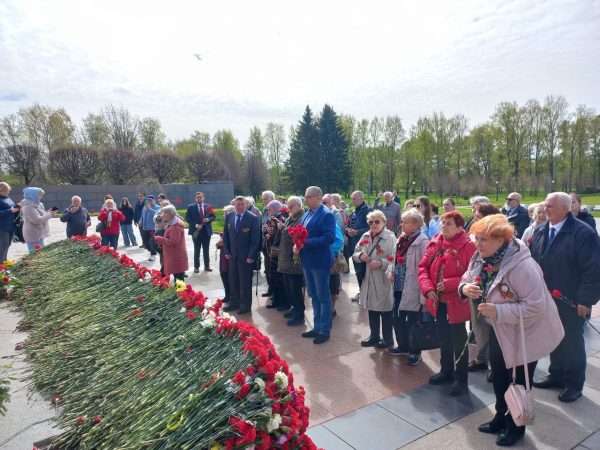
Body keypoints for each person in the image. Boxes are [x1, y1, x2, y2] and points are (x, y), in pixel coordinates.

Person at [460, 214, 564, 446]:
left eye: (484, 239)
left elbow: (536, 306)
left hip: (527, 332)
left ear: (502, 239)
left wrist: (499, 312)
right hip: (500, 329)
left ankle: (516, 428)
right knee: (498, 375)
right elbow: (467, 277)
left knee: (516, 381)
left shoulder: (523, 266)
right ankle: (500, 417)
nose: (477, 244)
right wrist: (465, 287)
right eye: (476, 238)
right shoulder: (481, 257)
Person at [530, 192, 600, 403]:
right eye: (545, 206)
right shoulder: (543, 230)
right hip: (547, 298)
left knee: (571, 343)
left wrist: (585, 300)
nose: (545, 209)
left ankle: (573, 384)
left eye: (550, 206)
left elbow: (593, 269)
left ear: (564, 208)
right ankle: (557, 375)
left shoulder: (582, 233)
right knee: (554, 338)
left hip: (570, 300)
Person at [418, 211, 476, 396]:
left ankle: (461, 379)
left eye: (448, 223)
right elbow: (423, 268)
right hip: (438, 301)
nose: (443, 226)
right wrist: (428, 288)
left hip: (457, 301)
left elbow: (475, 275)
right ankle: (446, 371)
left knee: (459, 341)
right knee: (443, 337)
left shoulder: (469, 246)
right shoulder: (435, 242)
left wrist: (451, 284)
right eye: (442, 222)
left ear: (459, 226)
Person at [385, 209, 429, 365]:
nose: (402, 224)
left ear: (416, 224)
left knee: (413, 321)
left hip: (412, 286)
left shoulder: (422, 241)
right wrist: (391, 270)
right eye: (402, 221)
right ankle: (403, 346)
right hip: (399, 285)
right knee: (398, 317)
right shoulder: (402, 238)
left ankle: (415, 351)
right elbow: (394, 259)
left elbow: (426, 266)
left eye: (405, 222)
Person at [466, 201, 502, 376]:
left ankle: (495, 365)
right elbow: (473, 263)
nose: (474, 220)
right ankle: (481, 358)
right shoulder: (476, 236)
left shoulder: (501, 239)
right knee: (479, 325)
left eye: (478, 217)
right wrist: (467, 285)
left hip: (497, 290)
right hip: (478, 286)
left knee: (495, 328)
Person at [298, 186, 336, 344]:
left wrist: (305, 242)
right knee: (313, 295)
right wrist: (297, 242)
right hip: (307, 260)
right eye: (305, 196)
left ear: (318, 198)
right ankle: (316, 327)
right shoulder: (306, 214)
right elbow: (301, 232)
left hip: (319, 262)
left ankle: (325, 330)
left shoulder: (326, 215)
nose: (305, 200)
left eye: (308, 197)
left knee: (323, 296)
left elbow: (329, 238)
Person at [353, 210, 396, 348]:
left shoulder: (390, 238)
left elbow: (396, 261)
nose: (373, 224)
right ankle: (374, 336)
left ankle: (388, 339)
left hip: (383, 279)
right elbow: (355, 252)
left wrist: (381, 263)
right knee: (372, 309)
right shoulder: (365, 235)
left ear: (384, 222)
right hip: (368, 278)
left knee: (385, 310)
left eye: (377, 221)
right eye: (371, 222)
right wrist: (360, 256)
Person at [222, 196, 262, 315]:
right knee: (233, 280)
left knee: (245, 281)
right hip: (232, 256)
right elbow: (226, 236)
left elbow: (256, 240)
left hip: (246, 257)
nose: (240, 207)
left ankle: (245, 305)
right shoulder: (230, 216)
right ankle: (234, 302)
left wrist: (251, 256)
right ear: (234, 205)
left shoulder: (253, 218)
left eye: (242, 204)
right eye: (238, 204)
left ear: (246, 205)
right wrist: (227, 251)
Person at [277, 196, 306, 326]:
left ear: (299, 206)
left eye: (292, 206)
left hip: (294, 260)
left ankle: (299, 315)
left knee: (295, 289)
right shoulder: (291, 217)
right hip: (287, 259)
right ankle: (294, 308)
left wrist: (283, 228)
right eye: (288, 206)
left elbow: (296, 235)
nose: (289, 209)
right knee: (289, 288)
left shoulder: (302, 217)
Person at [345, 191, 371, 302]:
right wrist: (348, 231)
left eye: (354, 198)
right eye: (352, 198)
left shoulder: (368, 211)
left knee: (363, 271)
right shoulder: (353, 212)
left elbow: (372, 228)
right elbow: (346, 226)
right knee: (357, 270)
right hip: (354, 245)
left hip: (364, 246)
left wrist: (357, 232)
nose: (352, 200)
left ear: (361, 198)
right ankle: (362, 291)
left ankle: (366, 293)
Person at [154, 205, 189, 283]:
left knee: (179, 280)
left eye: (164, 213)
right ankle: (179, 294)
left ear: (170, 214)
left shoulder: (175, 226)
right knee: (178, 277)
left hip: (175, 255)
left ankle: (180, 294)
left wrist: (160, 239)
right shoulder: (172, 222)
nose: (162, 215)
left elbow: (174, 242)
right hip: (174, 255)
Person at [263, 200, 287, 311]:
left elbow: (282, 236)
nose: (268, 211)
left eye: (270, 209)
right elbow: (270, 233)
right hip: (271, 253)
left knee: (279, 279)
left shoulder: (281, 219)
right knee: (273, 277)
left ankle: (282, 302)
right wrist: (266, 232)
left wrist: (271, 235)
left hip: (278, 254)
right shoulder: (271, 219)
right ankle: (276, 299)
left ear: (276, 209)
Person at [185, 192, 216, 273]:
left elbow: (214, 216)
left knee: (206, 249)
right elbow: (187, 218)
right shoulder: (190, 207)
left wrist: (208, 219)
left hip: (206, 231)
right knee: (197, 249)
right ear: (195, 198)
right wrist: (195, 225)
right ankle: (196, 267)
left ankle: (207, 266)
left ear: (203, 197)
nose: (199, 198)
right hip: (196, 231)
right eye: (197, 197)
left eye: (200, 197)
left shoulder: (209, 207)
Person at [20, 187, 56, 251]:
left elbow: (43, 215)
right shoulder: (27, 207)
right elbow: (37, 220)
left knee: (41, 255)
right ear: (33, 195)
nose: (42, 197)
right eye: (40, 195)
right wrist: (50, 214)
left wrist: (49, 212)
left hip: (38, 234)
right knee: (36, 256)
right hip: (33, 235)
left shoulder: (37, 204)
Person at [216, 205, 235, 303]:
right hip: (224, 255)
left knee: (229, 276)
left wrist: (223, 240)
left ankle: (231, 295)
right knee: (223, 274)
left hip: (229, 255)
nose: (224, 214)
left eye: (226, 212)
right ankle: (227, 294)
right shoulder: (227, 222)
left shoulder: (233, 223)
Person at [260, 191, 276, 296]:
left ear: (272, 198)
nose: (264, 201)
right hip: (265, 243)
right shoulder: (265, 210)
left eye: (265, 198)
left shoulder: (277, 209)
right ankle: (270, 288)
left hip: (273, 245)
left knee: (273, 268)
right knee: (267, 268)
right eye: (263, 199)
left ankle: (274, 291)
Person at [0, 182, 18, 263]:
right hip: (2, 226)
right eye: (7, 190)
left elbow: (12, 208)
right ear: (1, 190)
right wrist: (10, 210)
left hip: (10, 225)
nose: (8, 192)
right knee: (3, 244)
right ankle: (1, 263)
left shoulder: (7, 198)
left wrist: (17, 209)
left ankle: (4, 261)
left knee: (7, 244)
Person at [140, 195, 160, 261]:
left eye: (151, 200)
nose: (150, 201)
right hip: (145, 228)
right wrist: (140, 222)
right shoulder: (144, 207)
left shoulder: (158, 207)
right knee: (145, 243)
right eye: (148, 200)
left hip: (153, 228)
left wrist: (149, 209)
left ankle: (153, 254)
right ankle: (153, 251)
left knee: (152, 242)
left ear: (154, 200)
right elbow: (142, 215)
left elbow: (157, 214)